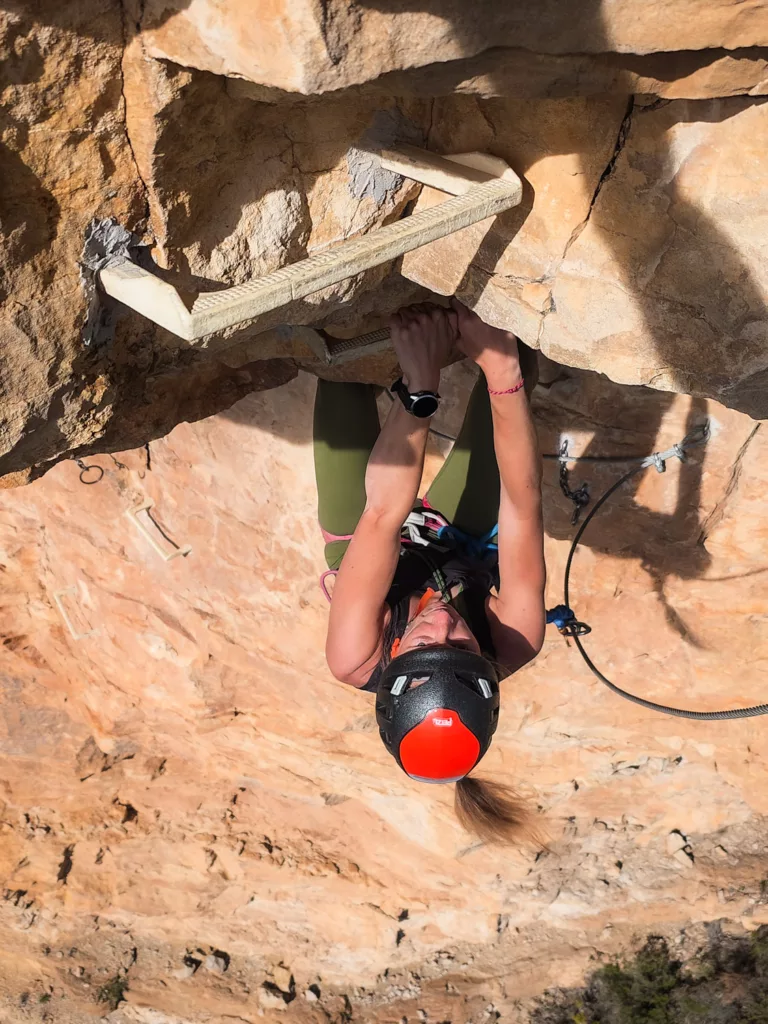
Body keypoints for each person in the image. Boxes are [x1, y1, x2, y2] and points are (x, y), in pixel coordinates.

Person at [313, 299, 545, 843]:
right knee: (518, 356)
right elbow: (521, 503)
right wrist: (502, 374)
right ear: (487, 666)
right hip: (458, 543)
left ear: (393, 660)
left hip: (370, 542)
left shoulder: (355, 656)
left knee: (343, 372)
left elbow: (382, 514)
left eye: (422, 645)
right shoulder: (513, 640)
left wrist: (420, 387)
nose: (441, 623)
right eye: (462, 644)